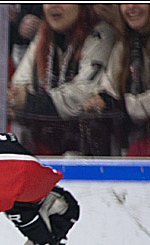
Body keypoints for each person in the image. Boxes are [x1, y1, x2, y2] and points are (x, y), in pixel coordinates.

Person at [8, 4, 117, 155]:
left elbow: (84, 92)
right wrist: (20, 98)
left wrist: (30, 101)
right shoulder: (44, 36)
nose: (54, 6)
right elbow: (20, 83)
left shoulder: (101, 33)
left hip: (90, 152)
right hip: (47, 147)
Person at [83, 3, 150, 156]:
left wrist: (122, 106)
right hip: (137, 146)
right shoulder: (124, 44)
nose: (131, 7)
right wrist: (100, 100)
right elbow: (108, 88)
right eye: (124, 2)